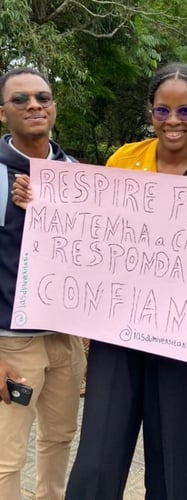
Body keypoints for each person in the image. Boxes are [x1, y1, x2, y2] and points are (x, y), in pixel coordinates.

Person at [55, 62, 187, 500]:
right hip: (118, 332)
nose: (173, 121)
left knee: (176, 453)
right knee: (99, 450)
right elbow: (94, 230)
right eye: (162, 111)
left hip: (183, 337)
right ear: (151, 113)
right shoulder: (123, 160)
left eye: (185, 112)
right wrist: (43, 201)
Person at [0, 67, 87, 500]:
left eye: (42, 97)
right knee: (5, 458)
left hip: (65, 338)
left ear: (53, 106)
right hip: (12, 343)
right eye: (20, 99)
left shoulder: (76, 173)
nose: (33, 105)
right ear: (3, 113)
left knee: (59, 439)